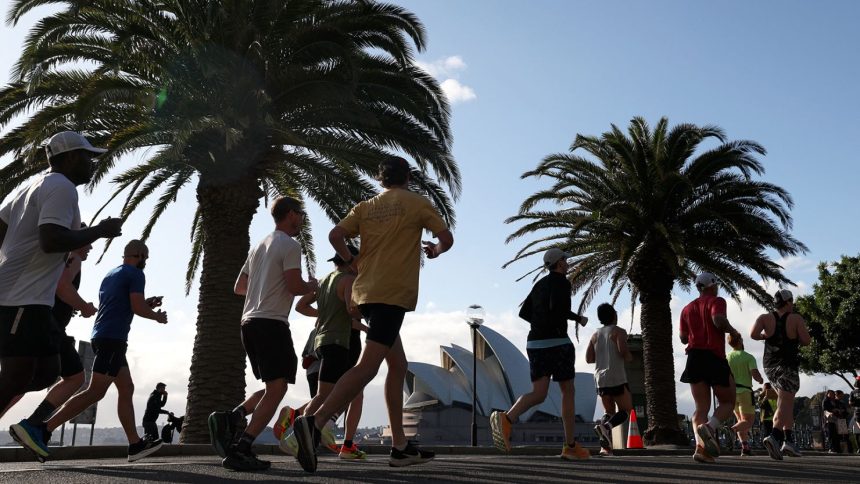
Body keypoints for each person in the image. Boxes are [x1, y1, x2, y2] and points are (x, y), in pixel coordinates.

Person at [293, 156, 453, 472]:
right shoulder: (417, 203)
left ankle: (400, 447)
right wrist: (434, 250)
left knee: (398, 364)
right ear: (408, 176)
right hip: (392, 295)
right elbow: (446, 238)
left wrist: (350, 260)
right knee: (367, 367)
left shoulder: (366, 207)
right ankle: (315, 423)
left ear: (381, 179)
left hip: (366, 293)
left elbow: (335, 236)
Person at [1, 131, 122, 436]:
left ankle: (31, 427)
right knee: (17, 378)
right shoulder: (61, 187)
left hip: (32, 299)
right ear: (69, 158)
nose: (92, 164)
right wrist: (99, 230)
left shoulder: (29, 187)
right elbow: (51, 240)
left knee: (47, 373)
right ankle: (32, 429)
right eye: (87, 157)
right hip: (19, 297)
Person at [11, 239, 167, 462]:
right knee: (95, 391)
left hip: (103, 336)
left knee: (127, 387)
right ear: (140, 255)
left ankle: (135, 445)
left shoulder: (112, 273)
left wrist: (146, 304)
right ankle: (43, 430)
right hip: (113, 339)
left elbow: (122, 303)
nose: (146, 262)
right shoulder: (136, 274)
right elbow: (136, 307)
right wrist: (156, 316)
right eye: (146, 257)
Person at [208, 196, 317, 472]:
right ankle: (241, 447)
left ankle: (234, 418)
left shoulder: (258, 245)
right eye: (300, 214)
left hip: (249, 322)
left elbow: (239, 287)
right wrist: (312, 286)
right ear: (290, 214)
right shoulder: (290, 245)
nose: (302, 219)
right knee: (278, 388)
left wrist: (263, 290)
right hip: (271, 322)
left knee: (272, 385)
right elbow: (294, 285)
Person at [490, 248, 590, 460]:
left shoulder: (539, 284)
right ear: (559, 263)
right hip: (557, 343)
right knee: (568, 391)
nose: (568, 262)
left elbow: (524, 312)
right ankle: (570, 446)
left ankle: (507, 419)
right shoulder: (562, 282)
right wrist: (578, 318)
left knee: (539, 393)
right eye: (565, 259)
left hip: (535, 343)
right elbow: (558, 308)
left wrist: (541, 326)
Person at [1, 232, 95, 420]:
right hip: (49, 327)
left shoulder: (59, 258)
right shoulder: (74, 257)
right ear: (80, 240)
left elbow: (55, 288)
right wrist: (83, 306)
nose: (90, 248)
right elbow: (62, 286)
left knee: (21, 379)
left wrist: (70, 305)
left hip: (40, 323)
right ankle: (34, 424)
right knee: (75, 377)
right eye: (89, 243)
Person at [292, 245, 368, 461]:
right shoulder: (348, 280)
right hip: (337, 340)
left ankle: (302, 432)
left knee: (328, 392)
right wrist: (370, 313)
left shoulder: (325, 280)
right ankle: (297, 435)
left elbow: (301, 306)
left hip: (321, 341)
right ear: (350, 260)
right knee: (331, 393)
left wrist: (322, 313)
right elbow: (351, 310)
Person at [678, 272, 740, 464]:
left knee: (700, 408)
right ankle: (711, 427)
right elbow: (718, 320)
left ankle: (701, 448)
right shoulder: (717, 300)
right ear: (713, 286)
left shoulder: (686, 309)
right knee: (728, 402)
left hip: (694, 358)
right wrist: (733, 331)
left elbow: (682, 338)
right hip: (713, 356)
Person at [750, 289, 811, 460]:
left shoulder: (764, 318)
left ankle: (789, 441)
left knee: (785, 402)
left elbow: (753, 334)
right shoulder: (795, 318)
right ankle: (775, 436)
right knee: (785, 401)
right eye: (792, 302)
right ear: (788, 302)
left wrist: (766, 336)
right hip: (787, 365)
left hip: (770, 366)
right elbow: (806, 341)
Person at [585, 303, 631, 456]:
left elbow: (588, 358)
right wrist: (628, 357)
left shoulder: (595, 335)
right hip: (616, 375)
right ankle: (606, 427)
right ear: (614, 315)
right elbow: (622, 350)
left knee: (609, 411)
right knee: (626, 409)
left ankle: (606, 447)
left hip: (600, 378)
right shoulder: (618, 332)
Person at [726, 333, 763, 456]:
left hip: (731, 393)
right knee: (748, 421)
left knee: (741, 421)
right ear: (740, 341)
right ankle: (732, 430)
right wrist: (760, 380)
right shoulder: (748, 357)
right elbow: (755, 374)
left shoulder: (727, 357)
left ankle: (745, 447)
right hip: (745, 392)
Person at [850, 377, 860, 454]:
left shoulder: (853, 392)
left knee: (857, 431)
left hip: (857, 412)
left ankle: (859, 448)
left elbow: (850, 403)